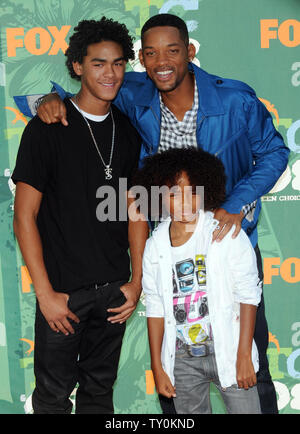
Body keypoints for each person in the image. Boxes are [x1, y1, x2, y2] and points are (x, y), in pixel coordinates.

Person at [14, 13, 289, 414]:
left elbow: (275, 152)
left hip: (224, 243)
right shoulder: (134, 94)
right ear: (142, 59)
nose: (162, 62)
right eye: (151, 54)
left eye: (172, 51)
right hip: (170, 252)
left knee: (246, 360)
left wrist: (233, 203)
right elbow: (87, 88)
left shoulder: (234, 100)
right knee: (175, 367)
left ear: (190, 52)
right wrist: (49, 100)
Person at [12, 18, 144, 414]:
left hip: (114, 294)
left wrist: (136, 281)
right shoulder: (47, 127)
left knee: (99, 396)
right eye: (99, 63)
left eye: (118, 63)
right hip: (64, 295)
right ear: (77, 67)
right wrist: (46, 294)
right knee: (52, 399)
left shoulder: (128, 129)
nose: (110, 73)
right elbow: (24, 217)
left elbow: (135, 209)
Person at [135, 146, 262, 414]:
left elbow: (248, 294)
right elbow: (155, 308)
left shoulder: (224, 232)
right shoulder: (154, 245)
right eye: (174, 193)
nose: (184, 201)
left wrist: (243, 357)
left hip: (228, 348)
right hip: (181, 359)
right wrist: (158, 368)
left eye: (192, 192)